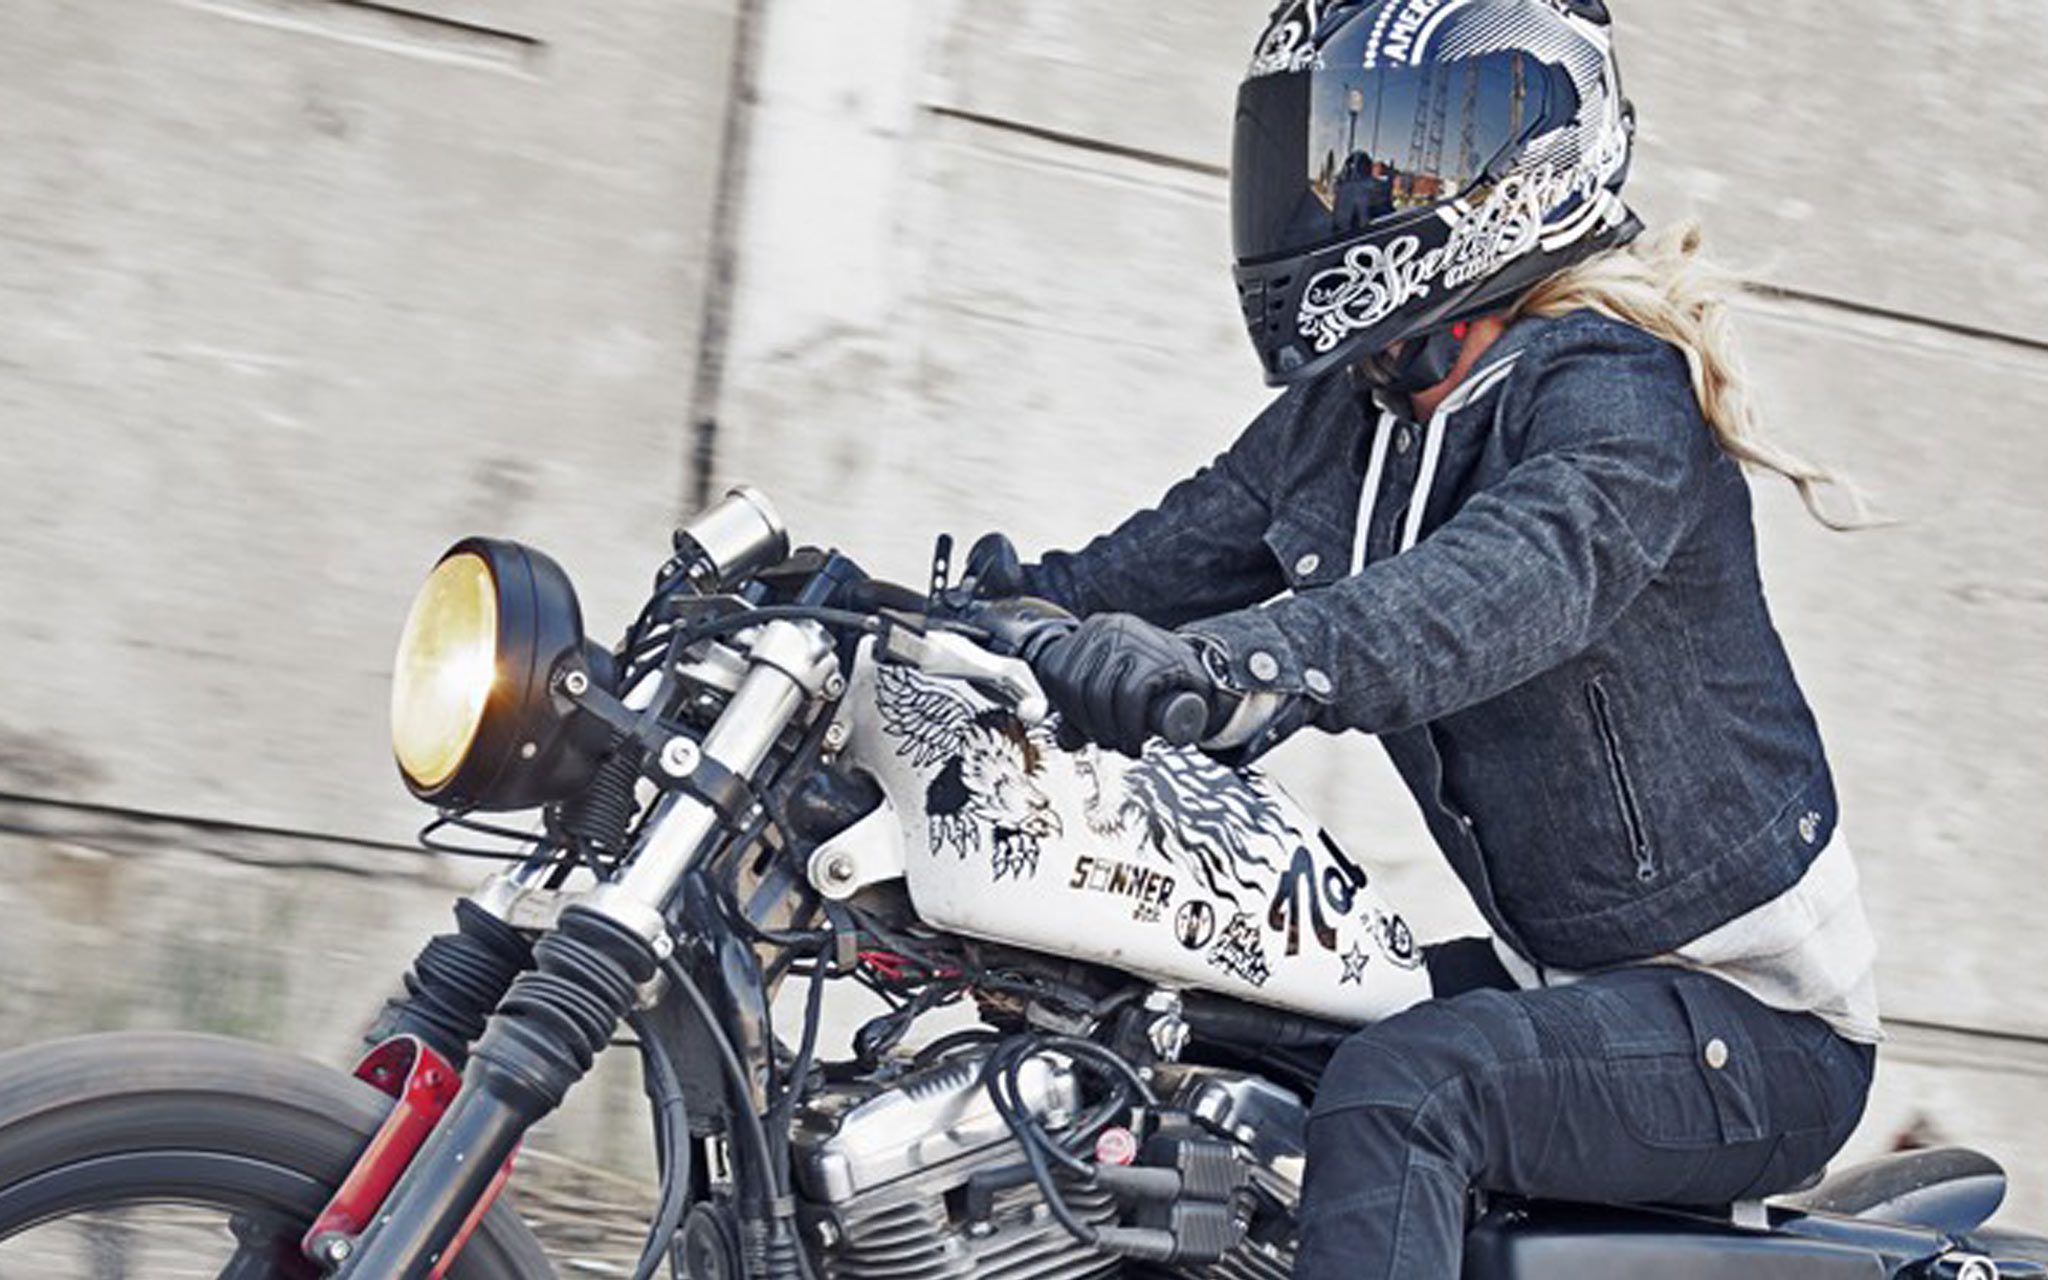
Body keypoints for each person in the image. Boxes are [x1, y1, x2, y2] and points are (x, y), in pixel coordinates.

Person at [969, 1, 1882, 1275]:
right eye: (1314, 156)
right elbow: (1133, 570)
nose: (1325, 196)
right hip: (1553, 978)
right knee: (1183, 1029)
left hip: (1750, 1027)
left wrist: (1242, 663)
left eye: (1377, 158)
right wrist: (923, 613)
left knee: (1407, 1093)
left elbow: (1489, 589)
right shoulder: (1349, 417)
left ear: (1520, 166)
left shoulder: (1614, 399)